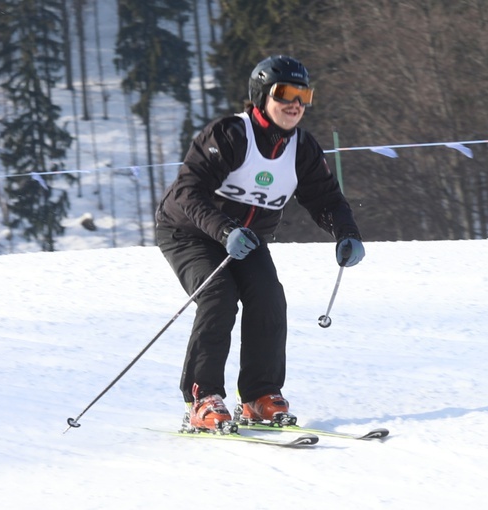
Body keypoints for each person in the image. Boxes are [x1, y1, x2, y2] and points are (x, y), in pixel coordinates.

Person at [155, 55, 365, 432]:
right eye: (285, 93)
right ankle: (202, 399)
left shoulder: (302, 148)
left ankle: (258, 396)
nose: (295, 103)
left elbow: (327, 200)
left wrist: (346, 233)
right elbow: (189, 193)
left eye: (303, 95)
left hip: (246, 241)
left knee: (268, 296)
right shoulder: (230, 135)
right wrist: (223, 231)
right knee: (218, 294)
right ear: (260, 96)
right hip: (190, 232)